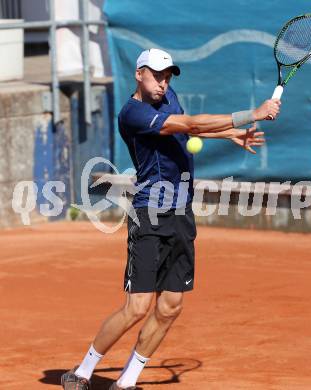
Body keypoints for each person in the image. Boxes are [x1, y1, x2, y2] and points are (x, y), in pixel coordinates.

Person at [61, 48, 280, 390]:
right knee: (137, 308)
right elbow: (189, 124)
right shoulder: (133, 113)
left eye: (167, 76)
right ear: (139, 74)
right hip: (149, 215)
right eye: (156, 75)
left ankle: (126, 381)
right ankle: (83, 371)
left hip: (181, 215)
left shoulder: (168, 97)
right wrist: (250, 114)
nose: (163, 83)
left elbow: (185, 131)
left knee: (171, 306)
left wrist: (228, 134)